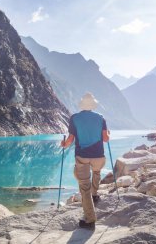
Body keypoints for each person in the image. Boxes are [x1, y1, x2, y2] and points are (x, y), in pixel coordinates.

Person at [61, 93, 110, 230]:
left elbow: (70, 140)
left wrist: (63, 144)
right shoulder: (101, 118)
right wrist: (109, 134)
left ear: (82, 105)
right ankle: (95, 195)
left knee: (84, 186)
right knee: (96, 171)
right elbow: (105, 139)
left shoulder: (75, 118)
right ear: (92, 105)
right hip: (99, 156)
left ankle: (90, 219)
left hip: (82, 156)